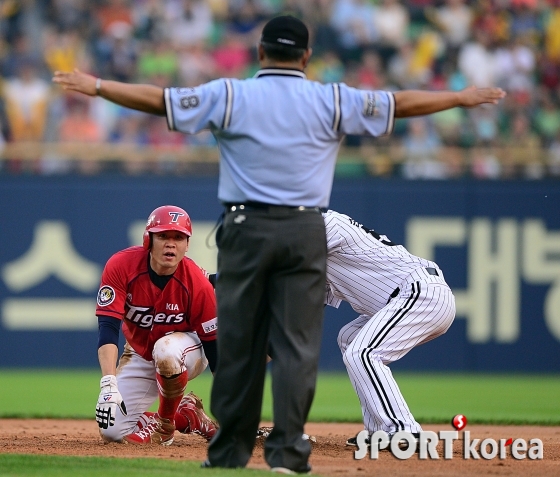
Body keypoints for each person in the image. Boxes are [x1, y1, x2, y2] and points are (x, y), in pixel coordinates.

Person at [53, 15, 505, 473]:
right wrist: (458, 98)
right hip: (307, 226)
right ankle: (297, 448)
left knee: (277, 342)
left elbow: (161, 101)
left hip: (255, 227)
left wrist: (99, 86)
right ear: (307, 58)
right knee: (303, 348)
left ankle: (249, 444)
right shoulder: (329, 97)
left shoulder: (232, 93)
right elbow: (395, 104)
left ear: (260, 53)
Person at [321, 209, 456, 447]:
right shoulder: (316, 252)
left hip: (420, 293)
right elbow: (297, 318)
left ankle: (404, 430)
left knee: (363, 353)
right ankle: (377, 431)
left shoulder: (325, 223)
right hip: (407, 298)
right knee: (350, 339)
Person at [95, 205, 218, 445]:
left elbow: (214, 349)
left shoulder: (197, 282)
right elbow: (108, 328)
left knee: (167, 349)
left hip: (190, 349)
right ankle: (187, 416)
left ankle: (163, 425)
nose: (171, 244)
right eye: (163, 236)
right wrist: (108, 384)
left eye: (179, 237)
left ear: (187, 244)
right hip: (141, 352)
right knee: (112, 430)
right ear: (148, 240)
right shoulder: (121, 266)